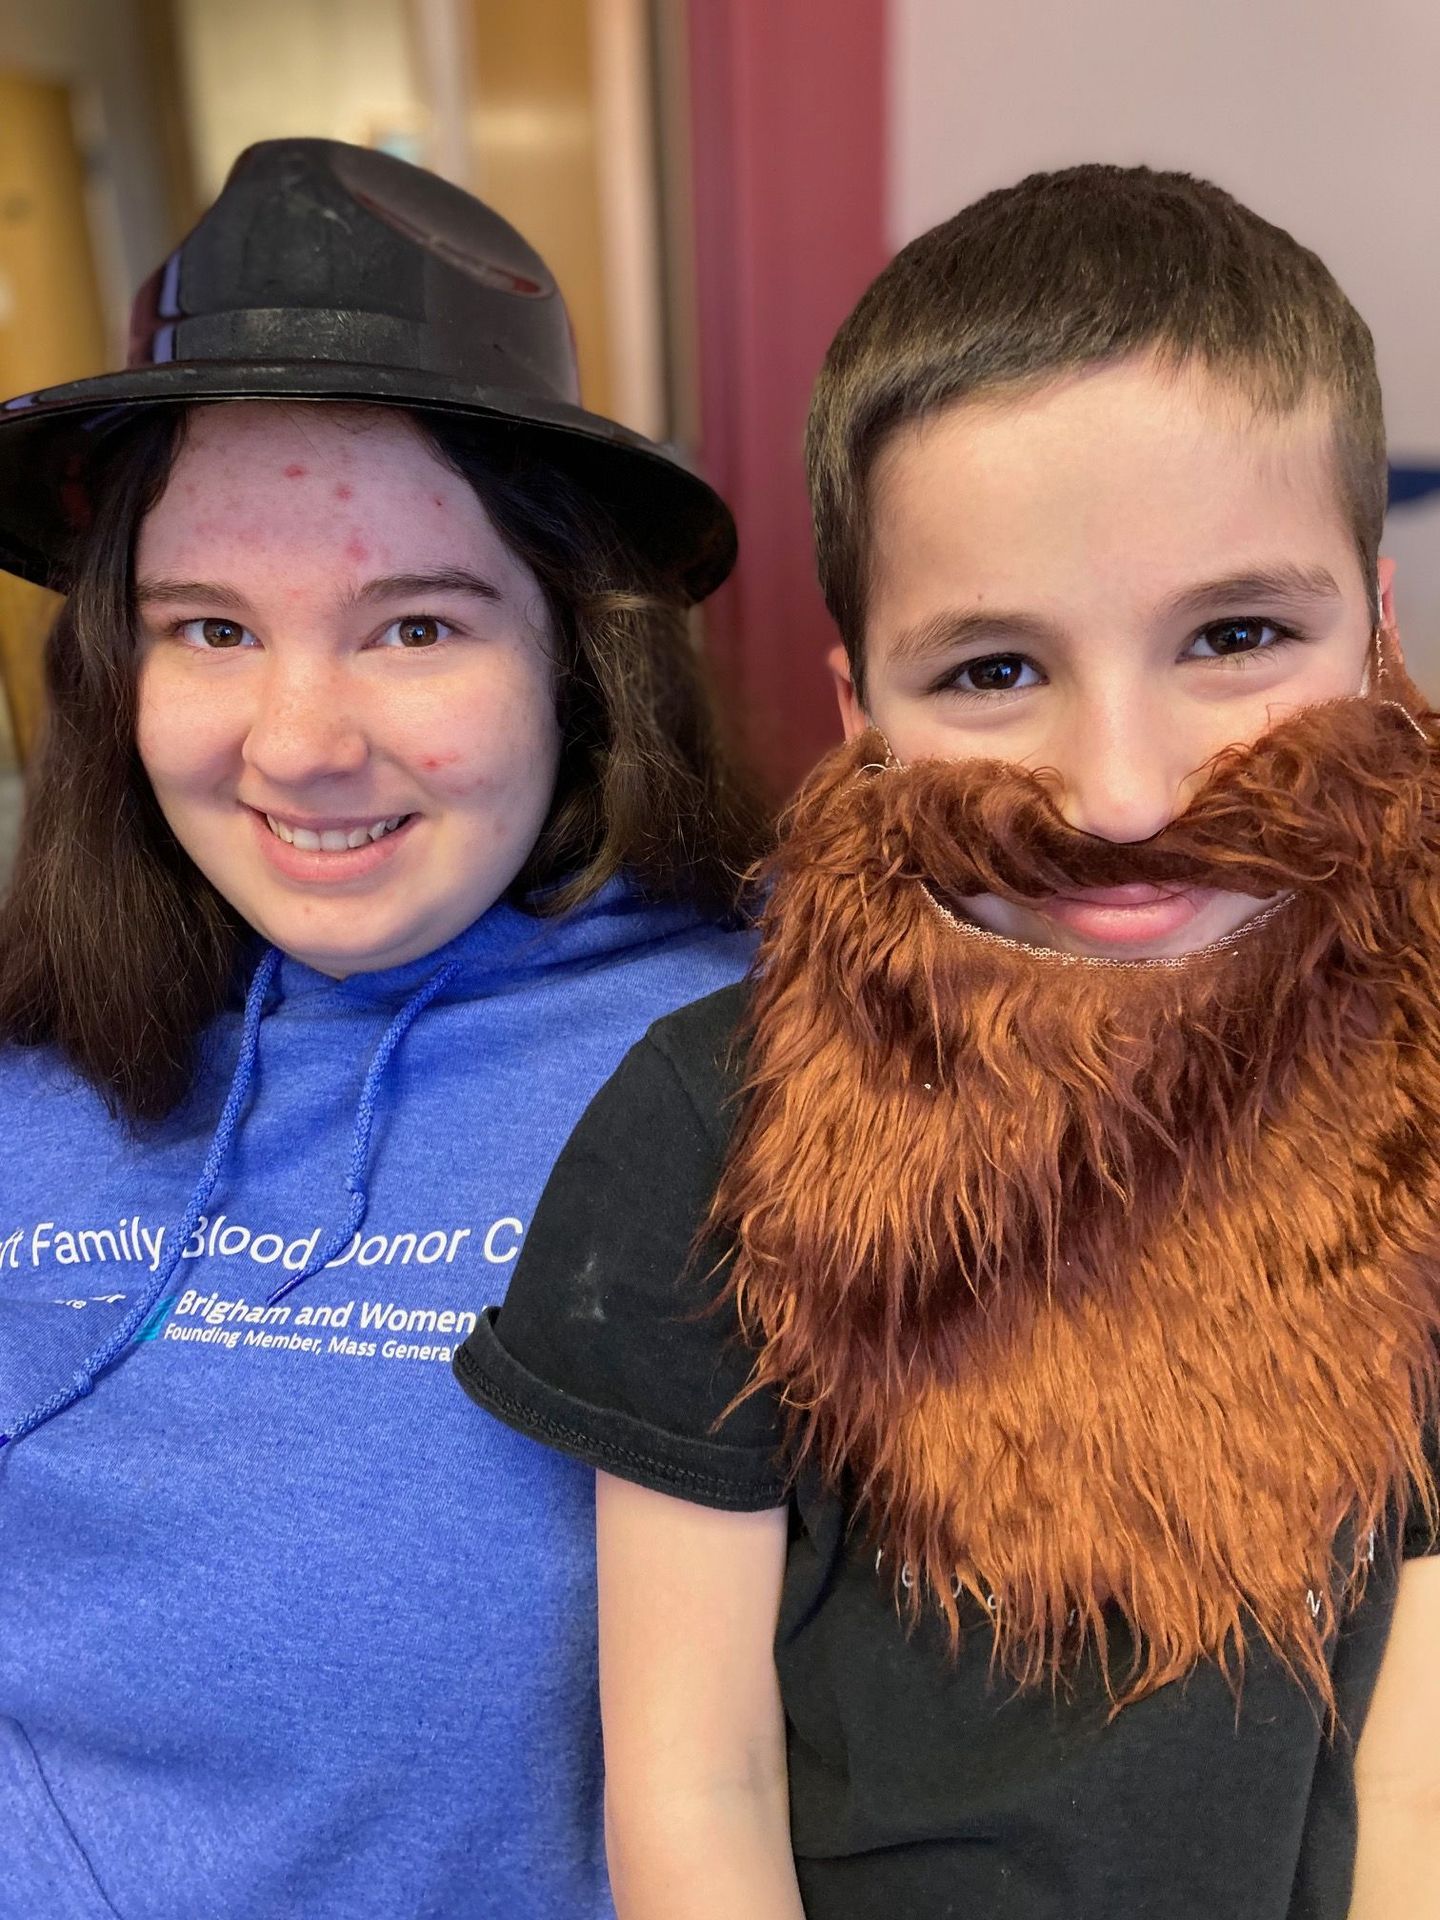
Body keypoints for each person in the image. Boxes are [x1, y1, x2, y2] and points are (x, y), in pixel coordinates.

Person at [455, 165, 1440, 1919]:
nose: (1128, 795)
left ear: (1376, 637)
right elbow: (695, 1773)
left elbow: (1416, 1767)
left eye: (1236, 637)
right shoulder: (711, 1124)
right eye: (993, 672)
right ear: (862, 719)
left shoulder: (1419, 1090)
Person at [0, 139, 763, 1919]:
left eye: (414, 623)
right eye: (210, 627)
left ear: (576, 655)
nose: (297, 743)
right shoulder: (31, 1073)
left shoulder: (766, 1071)